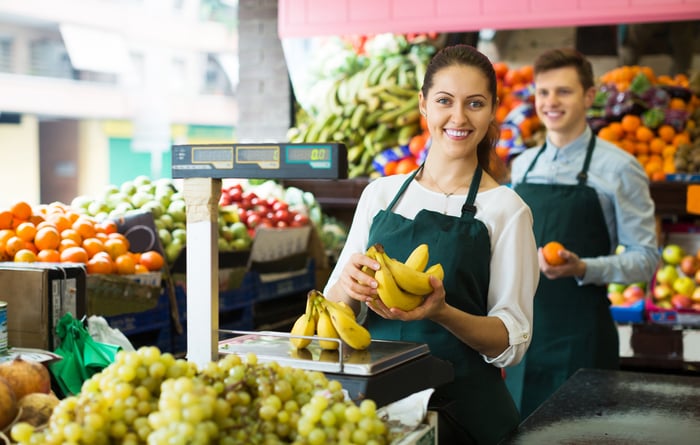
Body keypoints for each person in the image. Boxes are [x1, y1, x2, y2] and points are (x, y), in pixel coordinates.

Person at [323, 44, 540, 445]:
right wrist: (347, 288)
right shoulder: (381, 194)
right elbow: (338, 307)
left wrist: (442, 312)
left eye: (475, 103)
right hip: (379, 408)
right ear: (424, 105)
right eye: (444, 101)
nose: (458, 118)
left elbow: (511, 340)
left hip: (466, 414)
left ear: (493, 110)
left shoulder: (507, 209)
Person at [507, 48, 660, 418]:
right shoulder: (523, 166)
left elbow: (646, 259)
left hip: (582, 339)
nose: (550, 102)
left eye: (564, 91)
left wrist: (583, 268)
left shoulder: (621, 167)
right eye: (543, 93)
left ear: (589, 96)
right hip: (520, 340)